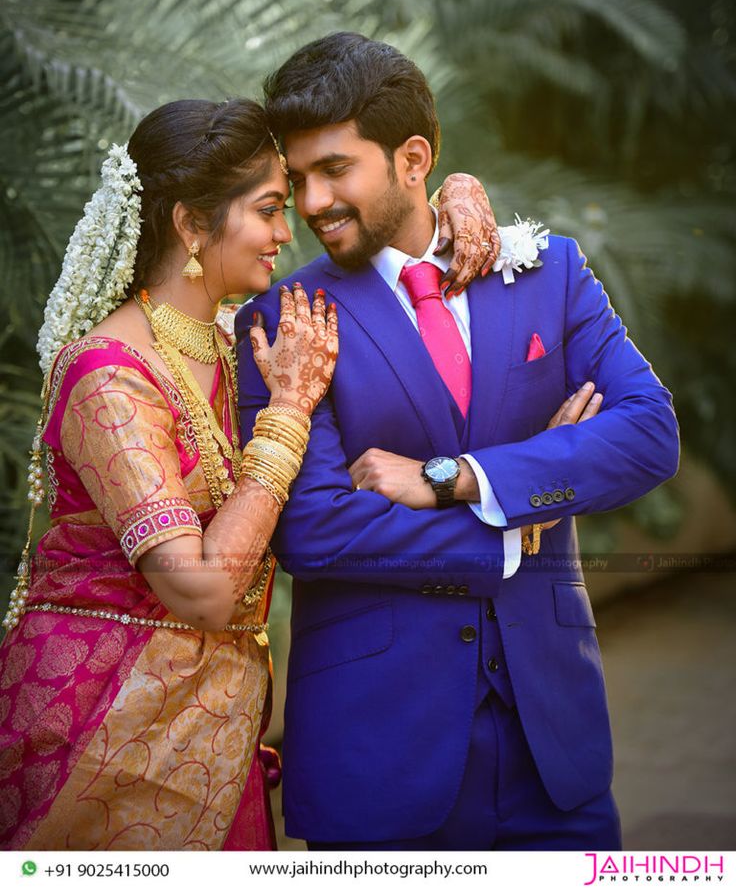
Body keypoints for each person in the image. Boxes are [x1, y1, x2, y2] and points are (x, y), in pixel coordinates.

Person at [0, 97, 493, 851]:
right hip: (106, 728)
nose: (284, 232)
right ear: (192, 226)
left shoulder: (241, 343)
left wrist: (455, 193)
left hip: (214, 732)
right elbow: (198, 589)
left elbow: (388, 245)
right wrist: (290, 410)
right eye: (267, 210)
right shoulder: (110, 377)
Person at [236, 32, 680, 851]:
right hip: (378, 755)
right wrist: (518, 520)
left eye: (337, 169)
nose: (311, 201)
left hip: (557, 749)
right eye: (298, 179)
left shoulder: (550, 272)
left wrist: (461, 477)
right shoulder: (283, 321)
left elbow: (649, 433)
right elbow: (314, 528)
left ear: (413, 159)